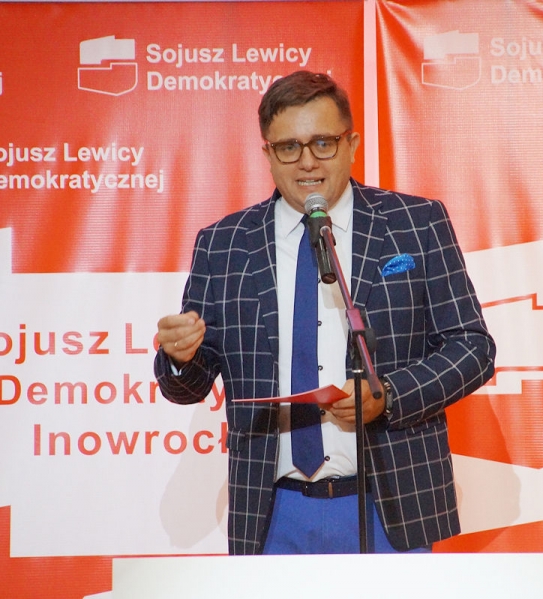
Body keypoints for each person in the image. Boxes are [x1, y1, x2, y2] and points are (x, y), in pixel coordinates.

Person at [154, 70, 495, 555]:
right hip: (272, 511)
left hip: (390, 503)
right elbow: (187, 387)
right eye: (289, 147)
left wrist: (388, 395)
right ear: (267, 154)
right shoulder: (224, 244)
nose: (307, 161)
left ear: (352, 144)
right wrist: (180, 357)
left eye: (323, 143)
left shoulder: (415, 224)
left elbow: (473, 348)